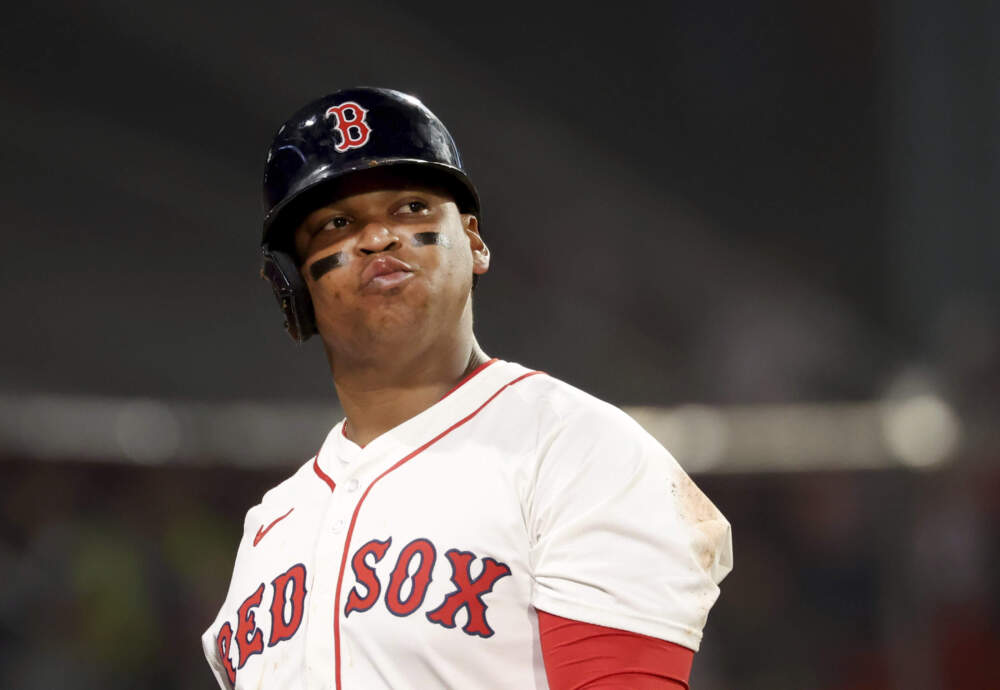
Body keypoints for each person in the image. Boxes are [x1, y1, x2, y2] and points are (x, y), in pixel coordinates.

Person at [202, 87, 732, 689]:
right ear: (291, 284)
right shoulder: (271, 529)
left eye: (410, 209)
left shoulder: (577, 450)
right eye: (337, 223)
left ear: (475, 241)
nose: (378, 238)